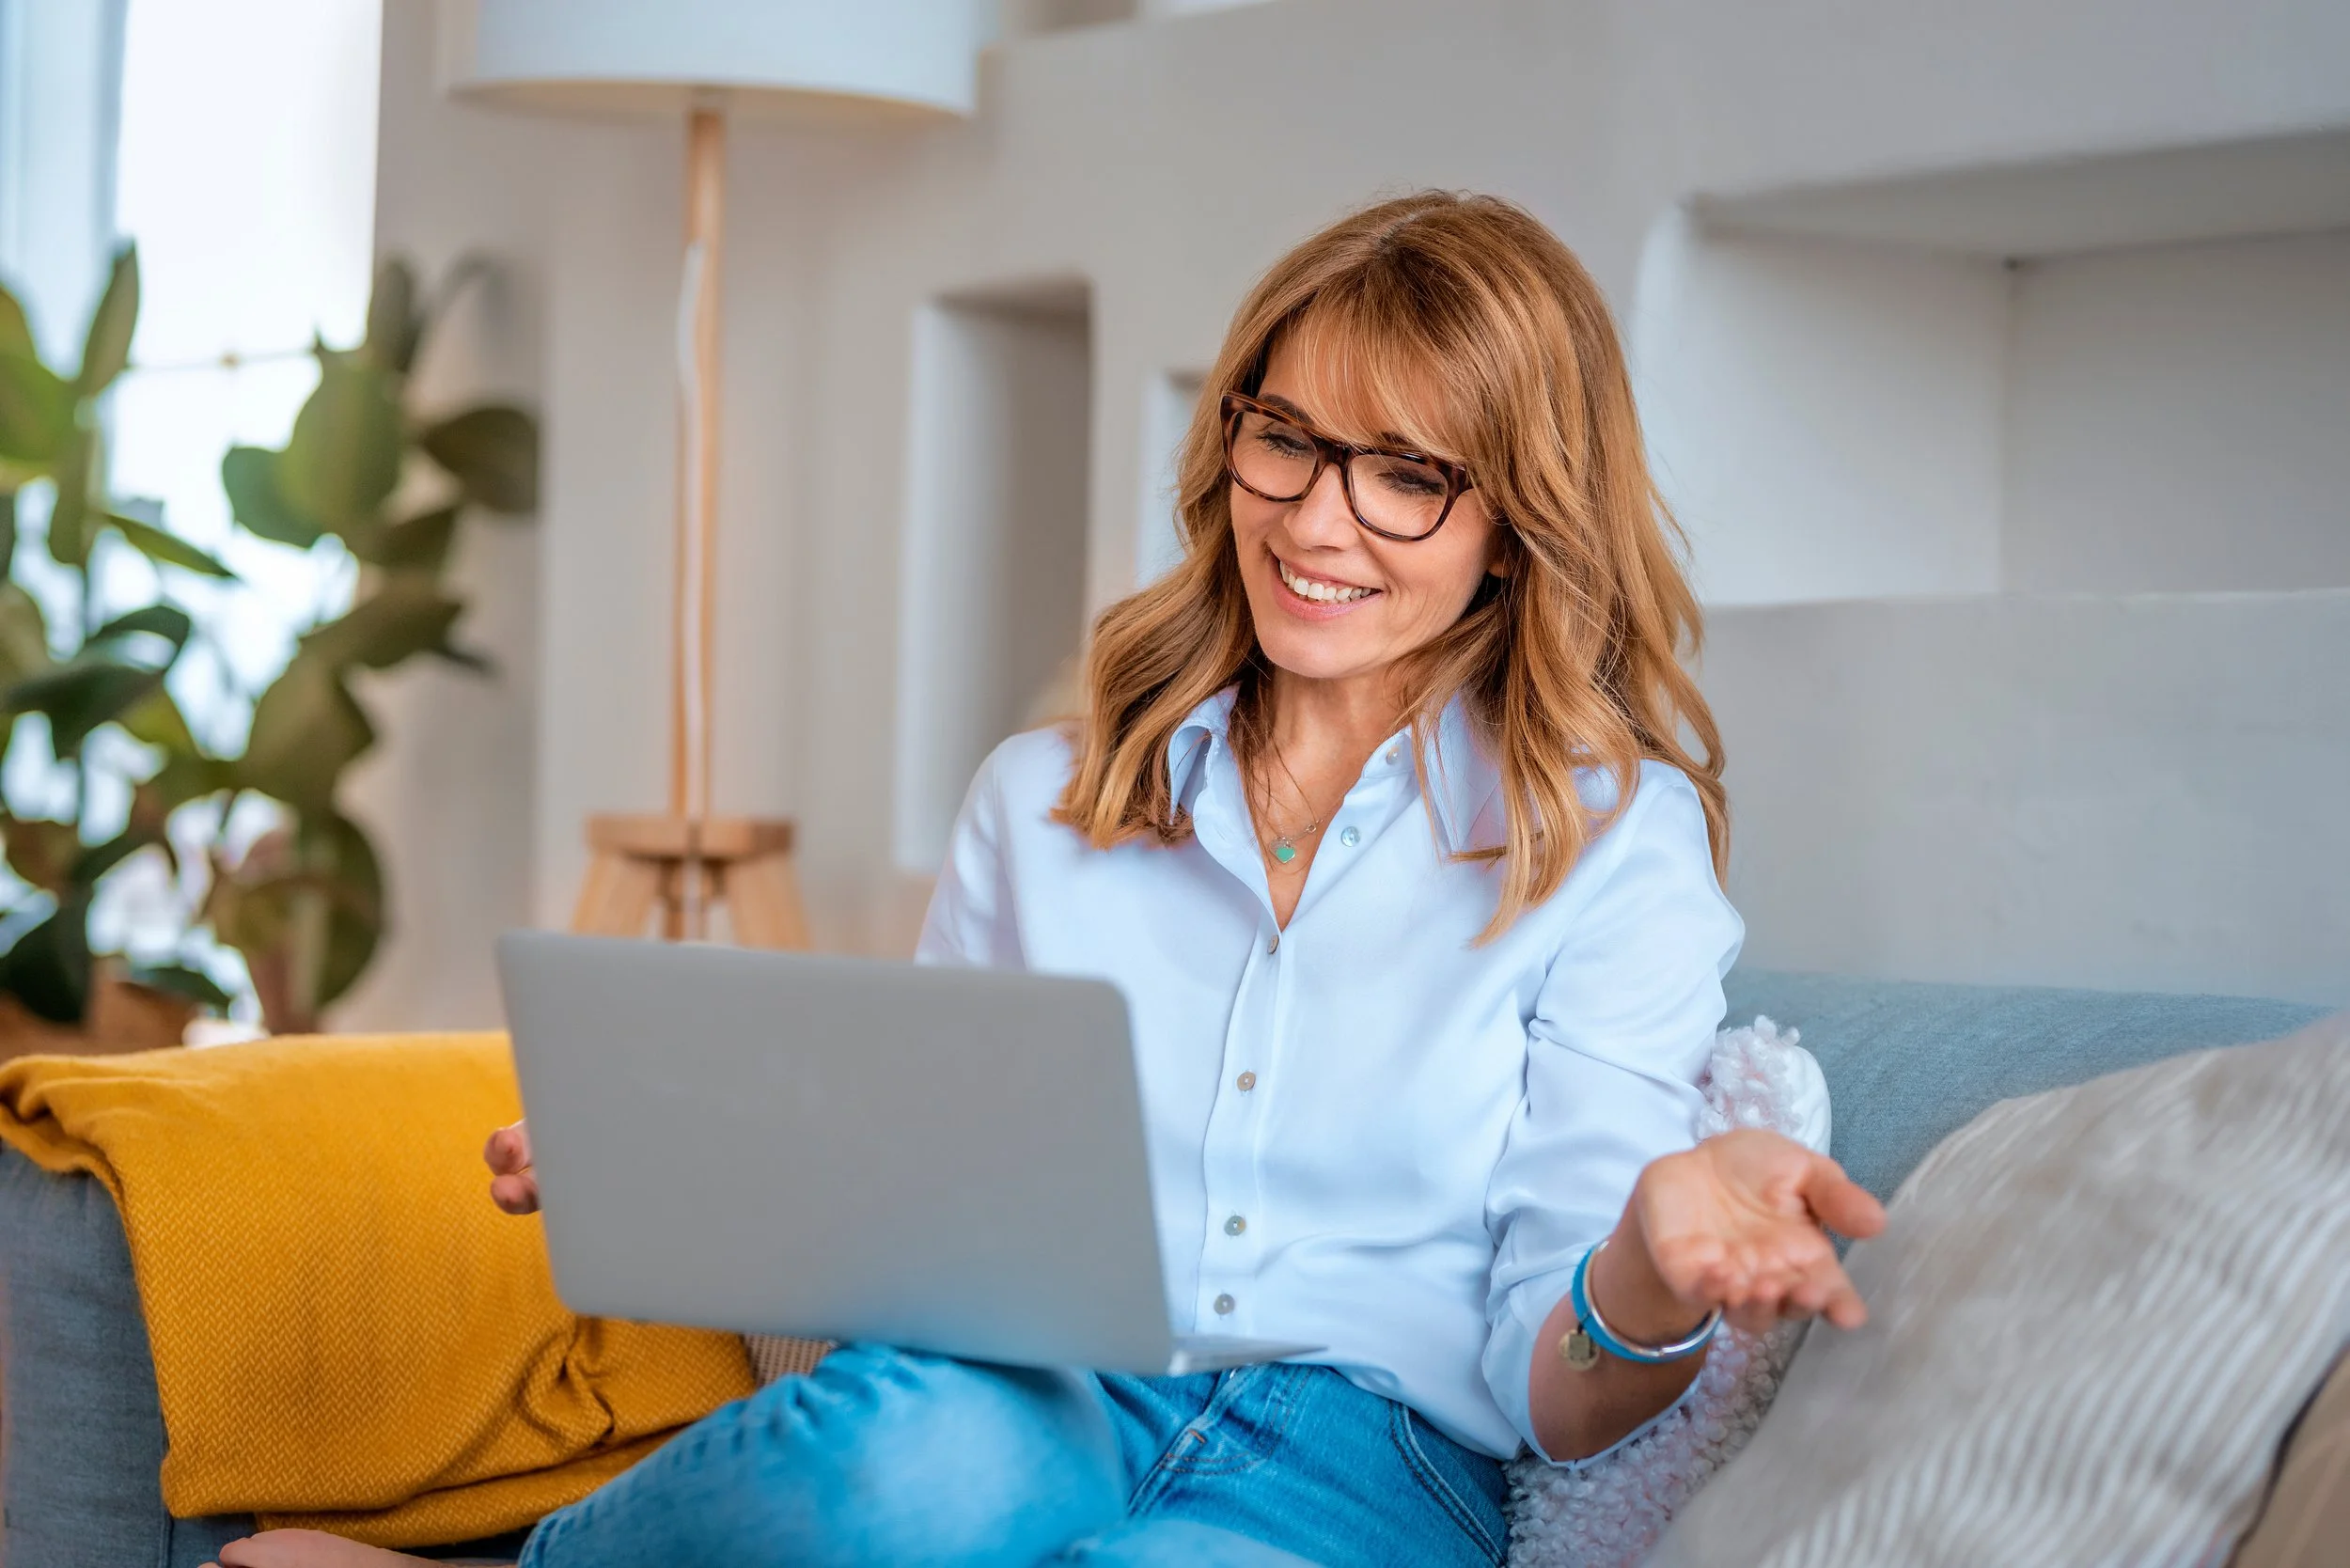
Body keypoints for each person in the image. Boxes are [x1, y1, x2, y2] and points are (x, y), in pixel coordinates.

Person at [212, 190, 1884, 1568]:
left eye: (1407, 474)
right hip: (1033, 1396)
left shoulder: (1614, 845)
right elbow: (928, 1214)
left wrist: (1649, 1274)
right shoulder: (1048, 802)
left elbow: (1559, 1401)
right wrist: (690, 1171)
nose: (1315, 519)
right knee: (885, 1477)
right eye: (1284, 438)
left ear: (1512, 525)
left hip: (1366, 1466)